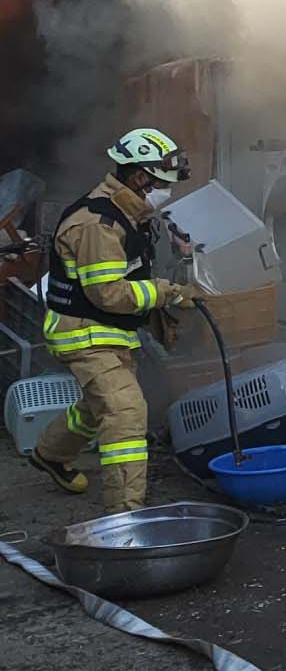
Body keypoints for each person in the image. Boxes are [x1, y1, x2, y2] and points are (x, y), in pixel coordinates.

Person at [30, 128, 203, 514]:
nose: (167, 192)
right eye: (163, 184)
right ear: (140, 178)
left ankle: (50, 454)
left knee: (98, 405)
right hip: (83, 334)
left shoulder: (130, 213)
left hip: (109, 332)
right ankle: (126, 519)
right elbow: (107, 293)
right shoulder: (97, 225)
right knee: (124, 411)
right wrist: (166, 292)